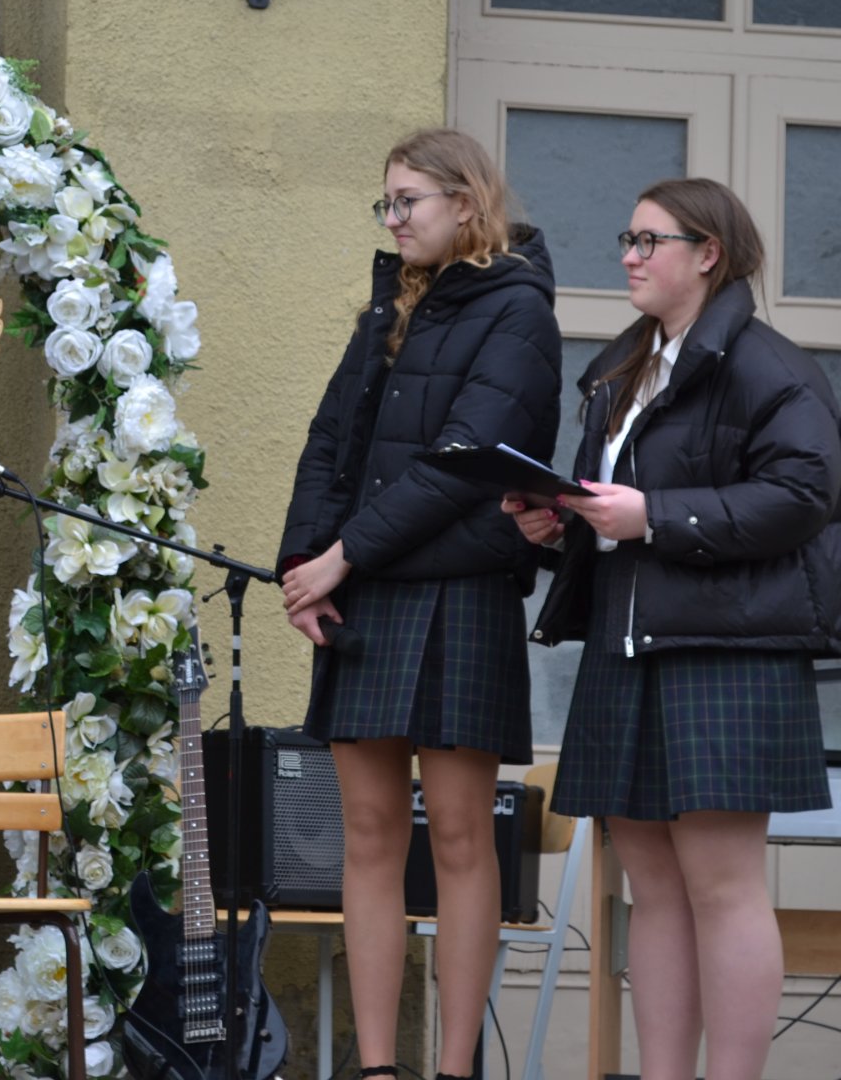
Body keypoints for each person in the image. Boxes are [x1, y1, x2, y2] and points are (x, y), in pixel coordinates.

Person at [511, 178, 841, 1080]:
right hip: (628, 650)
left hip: (727, 654)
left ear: (708, 254)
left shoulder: (771, 367)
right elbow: (618, 514)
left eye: (649, 241)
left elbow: (801, 497)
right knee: (655, 892)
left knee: (723, 889)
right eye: (626, 239)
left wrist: (653, 516)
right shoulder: (626, 370)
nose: (628, 256)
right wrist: (560, 527)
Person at [277, 128, 560, 1080]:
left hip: (458, 597)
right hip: (365, 595)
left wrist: (342, 556)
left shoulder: (519, 310)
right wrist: (302, 563)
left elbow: (461, 465)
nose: (393, 219)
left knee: (464, 838)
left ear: (465, 206)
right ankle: (377, 1069)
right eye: (387, 203)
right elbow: (330, 440)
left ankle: (454, 1068)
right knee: (366, 836)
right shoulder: (390, 302)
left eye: (409, 201)